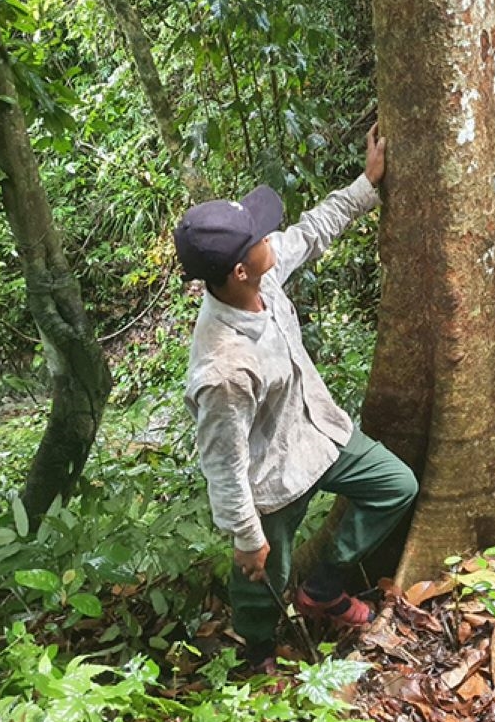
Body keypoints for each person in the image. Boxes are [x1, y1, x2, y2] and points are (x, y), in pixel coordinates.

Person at [173, 126, 418, 672]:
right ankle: (256, 653)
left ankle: (325, 587)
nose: (270, 237)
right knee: (261, 572)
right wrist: (244, 536)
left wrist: (366, 183)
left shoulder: (260, 276)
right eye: (259, 236)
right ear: (238, 268)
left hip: (317, 433)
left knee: (396, 486)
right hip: (271, 479)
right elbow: (224, 462)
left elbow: (310, 232)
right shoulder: (224, 369)